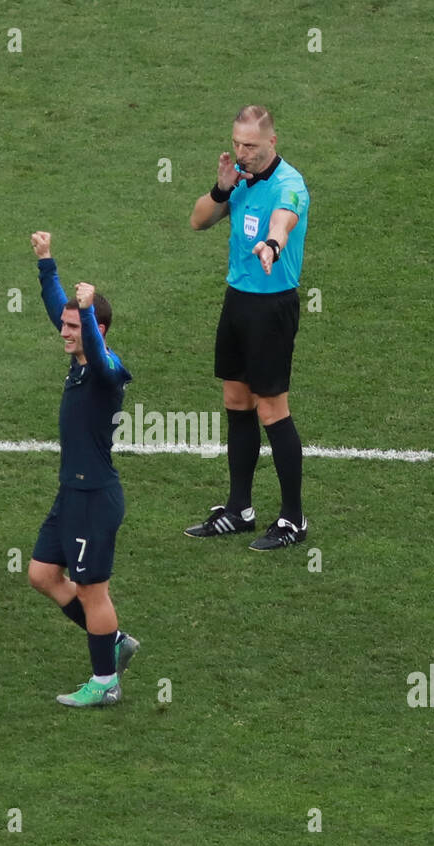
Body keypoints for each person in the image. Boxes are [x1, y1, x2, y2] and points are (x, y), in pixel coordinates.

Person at [184, 105, 311, 551]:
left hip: (272, 308)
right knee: (236, 401)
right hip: (237, 301)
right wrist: (221, 189)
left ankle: (293, 519)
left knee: (272, 409)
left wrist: (273, 245)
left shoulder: (289, 184)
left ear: (271, 143)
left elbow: (284, 218)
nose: (243, 153)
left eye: (251, 146)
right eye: (237, 144)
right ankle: (239, 509)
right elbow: (199, 220)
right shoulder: (238, 179)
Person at [26, 230, 139, 707]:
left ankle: (105, 681)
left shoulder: (105, 370)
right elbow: (60, 311)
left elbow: (97, 349)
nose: (65, 331)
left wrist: (88, 313)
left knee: (93, 590)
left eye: (75, 326)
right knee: (42, 573)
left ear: (97, 328)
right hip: (71, 492)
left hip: (95, 497)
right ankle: (112, 642)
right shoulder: (77, 360)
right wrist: (47, 263)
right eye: (66, 325)